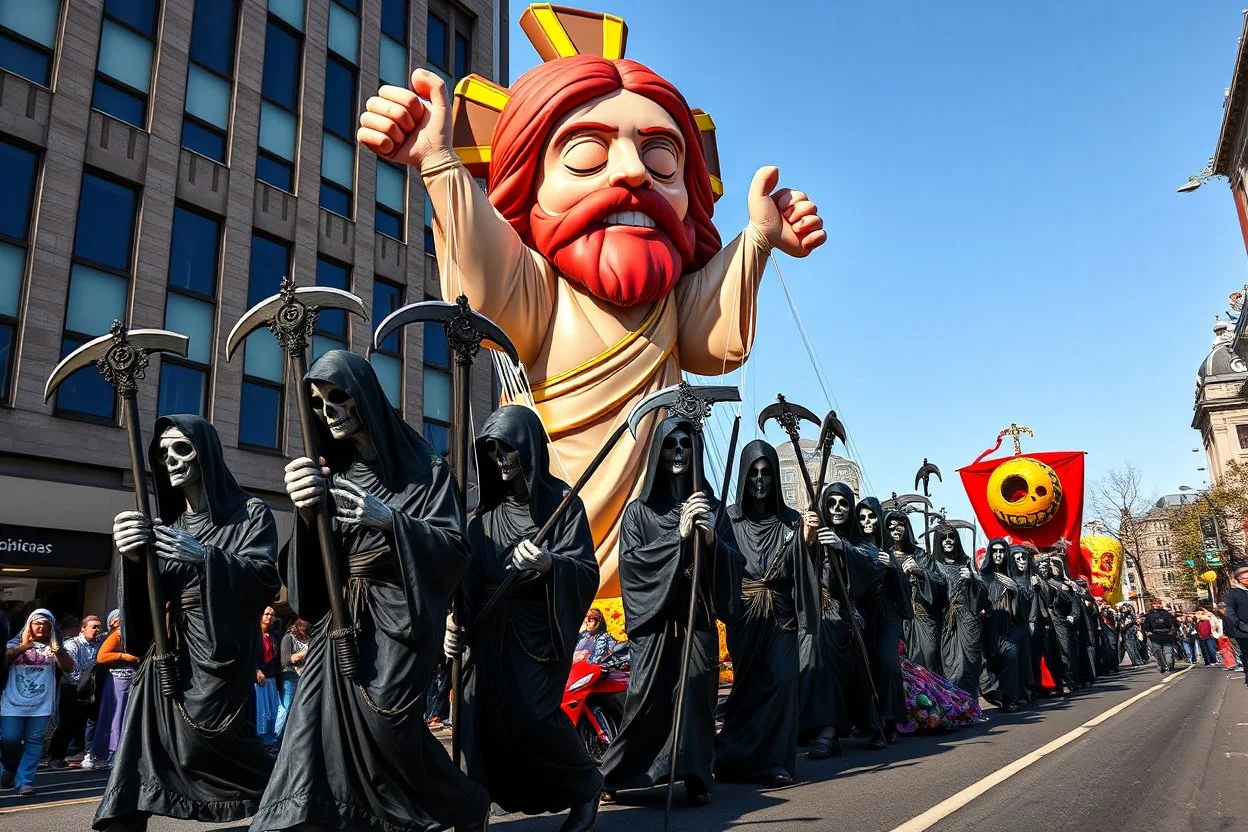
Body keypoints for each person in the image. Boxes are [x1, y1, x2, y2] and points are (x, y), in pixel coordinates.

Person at [361, 42, 827, 598]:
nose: (633, 174)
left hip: (660, 558)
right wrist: (439, 162)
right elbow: (487, 284)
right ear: (530, 180)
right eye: (586, 154)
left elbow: (715, 340)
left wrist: (759, 236)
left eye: (661, 160)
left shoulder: (670, 301)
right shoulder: (542, 288)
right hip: (552, 551)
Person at [251, 350, 489, 832]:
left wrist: (390, 520)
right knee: (310, 727)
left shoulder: (426, 469)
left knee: (388, 728)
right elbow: (311, 579)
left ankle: (463, 802)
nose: (328, 412)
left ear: (365, 398)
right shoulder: (330, 476)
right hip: (338, 620)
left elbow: (453, 548)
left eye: (338, 398)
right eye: (318, 404)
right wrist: (304, 511)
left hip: (399, 612)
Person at [93, 415, 283, 831]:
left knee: (210, 748)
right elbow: (145, 608)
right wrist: (132, 557)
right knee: (136, 756)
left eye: (182, 449)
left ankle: (290, 797)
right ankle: (122, 819)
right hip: (165, 657)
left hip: (219, 652)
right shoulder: (171, 526)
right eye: (163, 454)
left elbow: (266, 577)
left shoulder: (249, 513)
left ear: (208, 453)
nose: (172, 461)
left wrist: (206, 557)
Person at [450, 405, 603, 832]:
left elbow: (585, 570)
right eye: (493, 450)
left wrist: (550, 564)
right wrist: (454, 620)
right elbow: (467, 578)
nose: (500, 459)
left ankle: (586, 783)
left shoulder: (563, 505)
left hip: (536, 635)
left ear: (530, 448)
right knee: (476, 716)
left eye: (508, 449)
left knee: (536, 717)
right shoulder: (483, 520)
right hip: (488, 633)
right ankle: (475, 806)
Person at [600, 417, 743, 807]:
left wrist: (712, 540)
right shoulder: (639, 513)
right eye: (670, 444)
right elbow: (631, 565)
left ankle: (695, 774)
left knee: (697, 697)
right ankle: (617, 774)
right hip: (656, 622)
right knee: (646, 697)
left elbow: (734, 564)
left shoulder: (712, 507)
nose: (678, 452)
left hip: (696, 618)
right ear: (658, 452)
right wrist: (677, 536)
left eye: (686, 444)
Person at [714, 440, 819, 786]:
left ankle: (775, 761)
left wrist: (804, 542)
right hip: (744, 612)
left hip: (781, 613)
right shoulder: (728, 519)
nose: (760, 481)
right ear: (744, 476)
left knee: (779, 682)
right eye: (754, 474)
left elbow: (800, 571)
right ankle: (732, 758)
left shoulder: (790, 521)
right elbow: (720, 563)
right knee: (747, 686)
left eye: (767, 474)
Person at [801, 483, 881, 754]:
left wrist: (842, 547)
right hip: (815, 612)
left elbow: (869, 564)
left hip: (846, 613)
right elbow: (797, 561)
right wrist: (807, 536)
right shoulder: (815, 535)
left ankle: (851, 726)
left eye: (843, 503)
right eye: (831, 503)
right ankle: (824, 728)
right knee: (816, 666)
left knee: (853, 671)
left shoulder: (857, 541)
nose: (837, 509)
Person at [854, 497, 913, 743]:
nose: (867, 522)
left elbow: (904, 593)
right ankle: (872, 723)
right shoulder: (853, 546)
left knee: (887, 662)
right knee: (867, 667)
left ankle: (890, 721)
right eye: (862, 518)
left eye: (871, 516)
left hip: (888, 615)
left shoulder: (890, 552)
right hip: (864, 615)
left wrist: (894, 568)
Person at [1, 609, 72, 795]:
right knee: (10, 739)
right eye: (36, 623)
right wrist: (24, 646)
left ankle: (25, 780)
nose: (41, 626)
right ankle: (9, 768)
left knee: (34, 741)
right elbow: (5, 659)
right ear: (29, 625)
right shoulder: (13, 645)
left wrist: (59, 651)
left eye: (45, 623)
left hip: (41, 705)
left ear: (52, 627)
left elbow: (69, 668)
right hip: (12, 704)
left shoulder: (54, 648)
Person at [930, 524, 988, 699]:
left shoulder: (967, 563)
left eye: (951, 537)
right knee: (952, 665)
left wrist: (971, 579)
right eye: (944, 538)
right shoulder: (934, 565)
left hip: (969, 620)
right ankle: (956, 706)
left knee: (969, 664)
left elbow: (982, 592)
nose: (948, 541)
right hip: (947, 620)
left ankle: (971, 705)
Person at [890, 512, 943, 674]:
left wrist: (919, 572)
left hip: (923, 618)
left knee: (928, 655)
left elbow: (940, 584)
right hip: (896, 618)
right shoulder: (886, 554)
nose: (895, 529)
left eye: (900, 524)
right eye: (890, 525)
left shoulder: (921, 556)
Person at [48, 613, 103, 769]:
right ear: (83, 629)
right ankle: (56, 756)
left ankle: (87, 752)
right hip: (72, 686)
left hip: (93, 687)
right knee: (68, 722)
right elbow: (71, 669)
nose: (97, 630)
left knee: (92, 720)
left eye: (99, 627)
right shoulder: (73, 644)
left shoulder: (101, 642)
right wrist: (82, 683)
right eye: (94, 627)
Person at [980, 538, 1028, 712]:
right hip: (990, 625)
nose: (998, 555)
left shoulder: (1014, 578)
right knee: (992, 660)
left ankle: (1010, 698)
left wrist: (1015, 590)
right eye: (995, 551)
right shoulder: (984, 577)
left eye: (1001, 551)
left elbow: (1025, 608)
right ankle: (995, 693)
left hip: (1010, 625)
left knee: (1011, 655)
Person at [89, 611, 139, 771]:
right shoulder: (118, 634)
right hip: (119, 680)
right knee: (117, 715)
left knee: (126, 716)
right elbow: (102, 656)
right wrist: (125, 657)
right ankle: (112, 754)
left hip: (132, 679)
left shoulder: (130, 632)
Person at [275, 618, 309, 743]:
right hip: (290, 676)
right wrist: (304, 653)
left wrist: (297, 656)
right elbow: (286, 661)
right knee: (285, 706)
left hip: (306, 676)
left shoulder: (310, 639)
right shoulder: (288, 638)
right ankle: (275, 739)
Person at [254, 606, 281, 752]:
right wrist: (256, 670)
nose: (269, 617)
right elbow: (249, 655)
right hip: (258, 680)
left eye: (272, 615)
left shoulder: (275, 635)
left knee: (273, 710)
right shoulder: (253, 635)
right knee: (260, 711)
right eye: (266, 614)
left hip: (272, 677)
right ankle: (260, 742)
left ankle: (270, 741)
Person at [1224, 564, 1248, 686]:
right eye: (1246, 578)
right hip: (1243, 631)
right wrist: (1240, 625)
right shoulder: (1233, 593)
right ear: (1239, 579)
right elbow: (1229, 612)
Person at [1141, 597, 1178, 674]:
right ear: (1152, 605)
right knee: (1157, 651)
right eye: (1155, 604)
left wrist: (1172, 630)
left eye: (1158, 603)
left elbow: (1174, 623)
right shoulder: (1148, 615)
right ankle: (1162, 666)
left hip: (1166, 635)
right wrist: (1147, 632)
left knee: (1168, 652)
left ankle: (1169, 665)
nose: (1157, 605)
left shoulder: (1167, 614)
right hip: (1155, 636)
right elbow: (1145, 625)